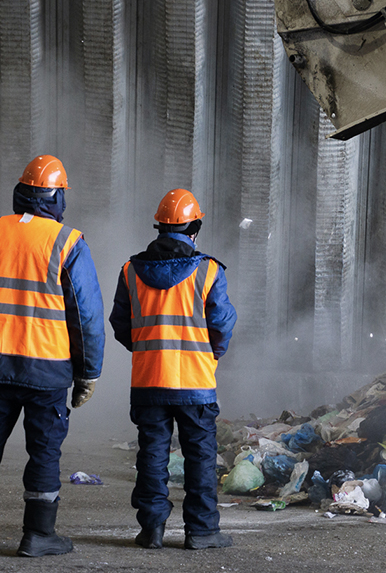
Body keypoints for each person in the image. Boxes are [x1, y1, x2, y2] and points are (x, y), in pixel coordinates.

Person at [0, 155, 105, 557]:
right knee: (44, 452)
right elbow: (85, 316)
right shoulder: (68, 242)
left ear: (21, 194)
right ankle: (37, 536)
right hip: (46, 372)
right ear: (56, 198)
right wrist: (88, 374)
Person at [109, 188, 237, 550]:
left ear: (160, 228)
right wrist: (213, 354)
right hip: (195, 382)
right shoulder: (208, 270)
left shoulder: (131, 270)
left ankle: (151, 529)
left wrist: (147, 351)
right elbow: (223, 323)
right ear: (194, 226)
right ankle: (201, 531)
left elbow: (121, 323)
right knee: (199, 457)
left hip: (150, 381)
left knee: (152, 454)